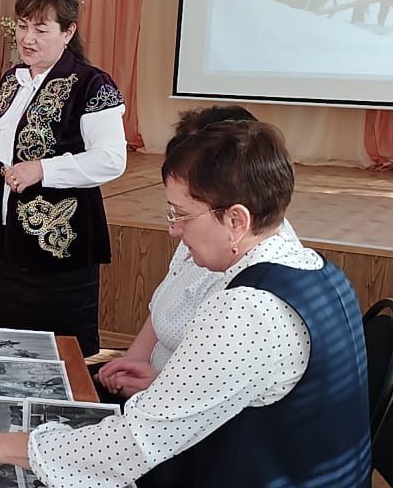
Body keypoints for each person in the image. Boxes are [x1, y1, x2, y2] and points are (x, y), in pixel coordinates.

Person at [0, 119, 371, 488]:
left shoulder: (250, 308)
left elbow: (134, 443)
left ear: (236, 219)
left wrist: (9, 447)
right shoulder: (312, 268)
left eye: (181, 215)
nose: (173, 229)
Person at [0, 0, 127, 356]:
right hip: (11, 238)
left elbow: (111, 159)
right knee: (15, 345)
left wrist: (42, 169)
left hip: (63, 245)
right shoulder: (13, 79)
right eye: (23, 26)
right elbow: (0, 144)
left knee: (67, 350)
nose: (28, 38)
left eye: (41, 29)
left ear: (68, 31)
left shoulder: (92, 84)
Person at [95, 106, 299, 401]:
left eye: (182, 213)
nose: (173, 229)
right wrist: (135, 361)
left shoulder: (249, 300)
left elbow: (159, 429)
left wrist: (158, 387)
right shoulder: (207, 231)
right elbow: (163, 306)